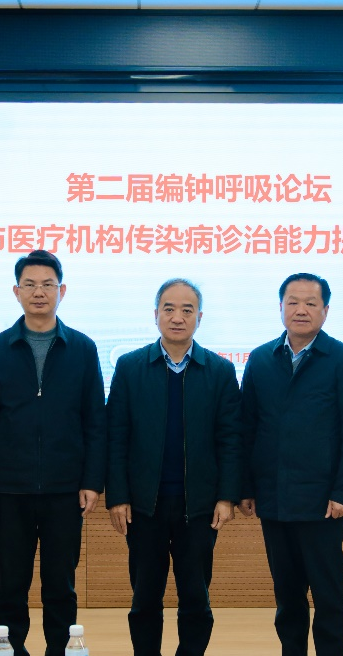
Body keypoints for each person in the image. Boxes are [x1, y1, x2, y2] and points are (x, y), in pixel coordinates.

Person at [0, 250, 106, 656]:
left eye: (48, 284)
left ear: (62, 291)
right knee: (11, 582)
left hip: (66, 489)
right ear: (16, 292)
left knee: (60, 583)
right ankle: (10, 649)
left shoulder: (82, 348)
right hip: (9, 489)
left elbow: (95, 422)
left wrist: (92, 481)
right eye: (29, 284)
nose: (39, 292)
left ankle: (60, 650)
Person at [106, 279, 242, 656]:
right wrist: (118, 496)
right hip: (143, 506)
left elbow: (231, 439)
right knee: (144, 598)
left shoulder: (219, 370)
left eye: (186, 310)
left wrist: (227, 497)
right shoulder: (130, 367)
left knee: (195, 598)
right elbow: (115, 437)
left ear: (199, 317)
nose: (177, 317)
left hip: (198, 507)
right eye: (169, 309)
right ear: (156, 315)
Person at [239, 272, 343, 656]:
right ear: (280, 307)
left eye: (311, 303)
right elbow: (247, 427)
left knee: (329, 593)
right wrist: (246, 487)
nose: (301, 310)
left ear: (325, 310)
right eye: (293, 302)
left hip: (323, 502)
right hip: (274, 499)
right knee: (287, 594)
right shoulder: (261, 359)